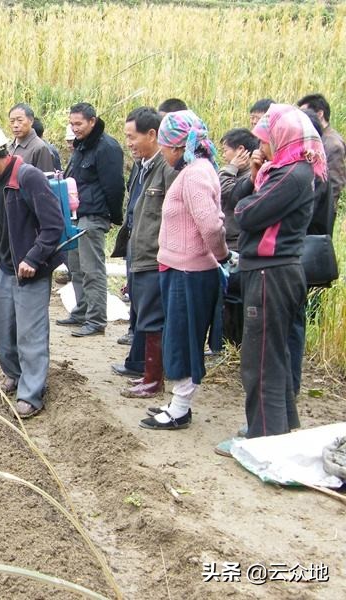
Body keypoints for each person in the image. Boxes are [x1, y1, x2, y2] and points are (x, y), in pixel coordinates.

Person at [230, 105, 325, 441]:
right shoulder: (289, 171)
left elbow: (247, 213)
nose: (261, 149)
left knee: (260, 363)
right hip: (276, 271)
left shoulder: (291, 175)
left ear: (283, 138)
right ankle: (282, 431)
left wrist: (250, 196)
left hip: (271, 272)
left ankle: (264, 438)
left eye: (266, 141)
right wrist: (257, 178)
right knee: (275, 356)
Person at [0, 124, 65, 418]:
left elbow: (53, 226)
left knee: (31, 334)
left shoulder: (28, 177)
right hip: (5, 268)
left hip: (31, 270)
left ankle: (32, 393)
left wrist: (33, 258)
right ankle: (15, 376)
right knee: (4, 332)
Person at [140, 110, 229, 430]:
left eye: (164, 146)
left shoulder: (195, 175)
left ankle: (180, 409)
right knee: (178, 336)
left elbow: (211, 224)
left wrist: (220, 255)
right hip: (180, 268)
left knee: (184, 338)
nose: (162, 152)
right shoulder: (196, 170)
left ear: (178, 147)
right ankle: (178, 402)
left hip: (190, 271)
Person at [119, 107, 178, 399]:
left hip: (157, 256)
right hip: (139, 254)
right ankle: (148, 374)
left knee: (154, 320)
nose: (129, 143)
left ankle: (154, 379)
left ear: (152, 134)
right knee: (144, 317)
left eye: (133, 137)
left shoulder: (166, 168)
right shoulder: (142, 166)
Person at [59, 102, 125, 337]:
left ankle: (96, 320)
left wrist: (114, 216)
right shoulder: (81, 147)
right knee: (76, 267)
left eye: (79, 124)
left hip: (94, 215)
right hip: (76, 215)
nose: (74, 128)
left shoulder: (107, 147)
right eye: (72, 123)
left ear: (92, 122)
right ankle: (81, 311)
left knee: (92, 269)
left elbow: (115, 186)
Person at [217, 127, 259, 346]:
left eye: (226, 151)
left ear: (241, 150)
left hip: (237, 244)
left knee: (235, 298)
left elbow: (223, 191)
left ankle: (233, 344)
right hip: (231, 241)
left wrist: (230, 168)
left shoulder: (248, 175)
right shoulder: (241, 173)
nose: (224, 156)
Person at [297, 93, 346, 204]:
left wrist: (323, 211)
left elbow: (334, 185)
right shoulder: (317, 138)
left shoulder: (333, 144)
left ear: (319, 114)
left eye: (305, 114)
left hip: (320, 210)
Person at [8, 103, 54, 173]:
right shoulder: (9, 147)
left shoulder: (40, 147)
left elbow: (45, 180)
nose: (15, 125)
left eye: (20, 120)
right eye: (12, 121)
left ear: (31, 121)